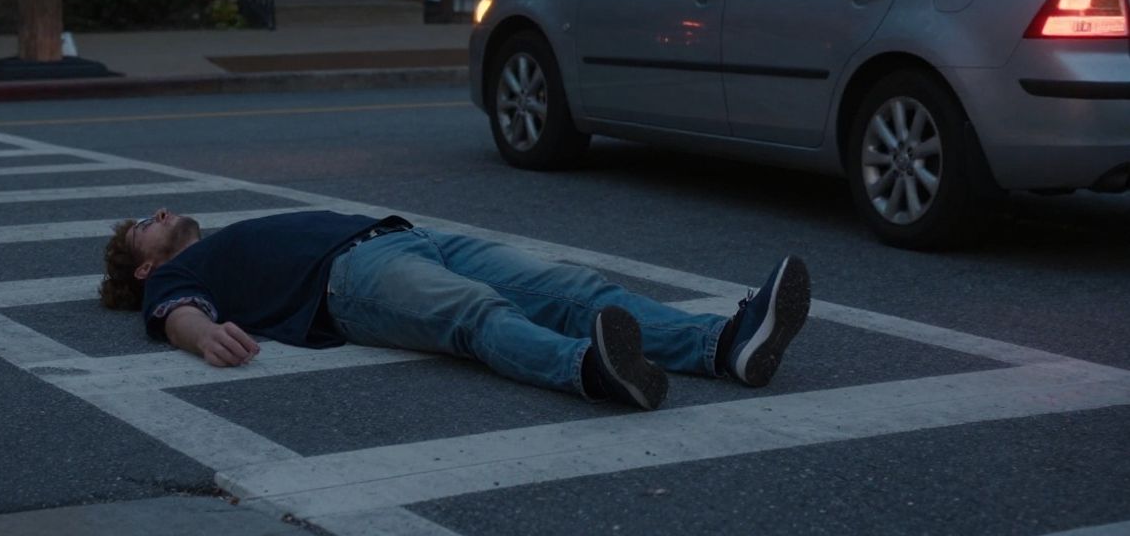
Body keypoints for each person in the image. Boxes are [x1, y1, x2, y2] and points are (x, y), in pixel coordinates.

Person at [99, 209, 811, 411]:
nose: (158, 215)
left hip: (409, 237)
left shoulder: (220, 241)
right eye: (142, 228)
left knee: (574, 289)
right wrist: (203, 337)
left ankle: (724, 345)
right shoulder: (179, 274)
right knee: (477, 312)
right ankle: (593, 372)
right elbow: (176, 313)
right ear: (146, 265)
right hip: (351, 280)